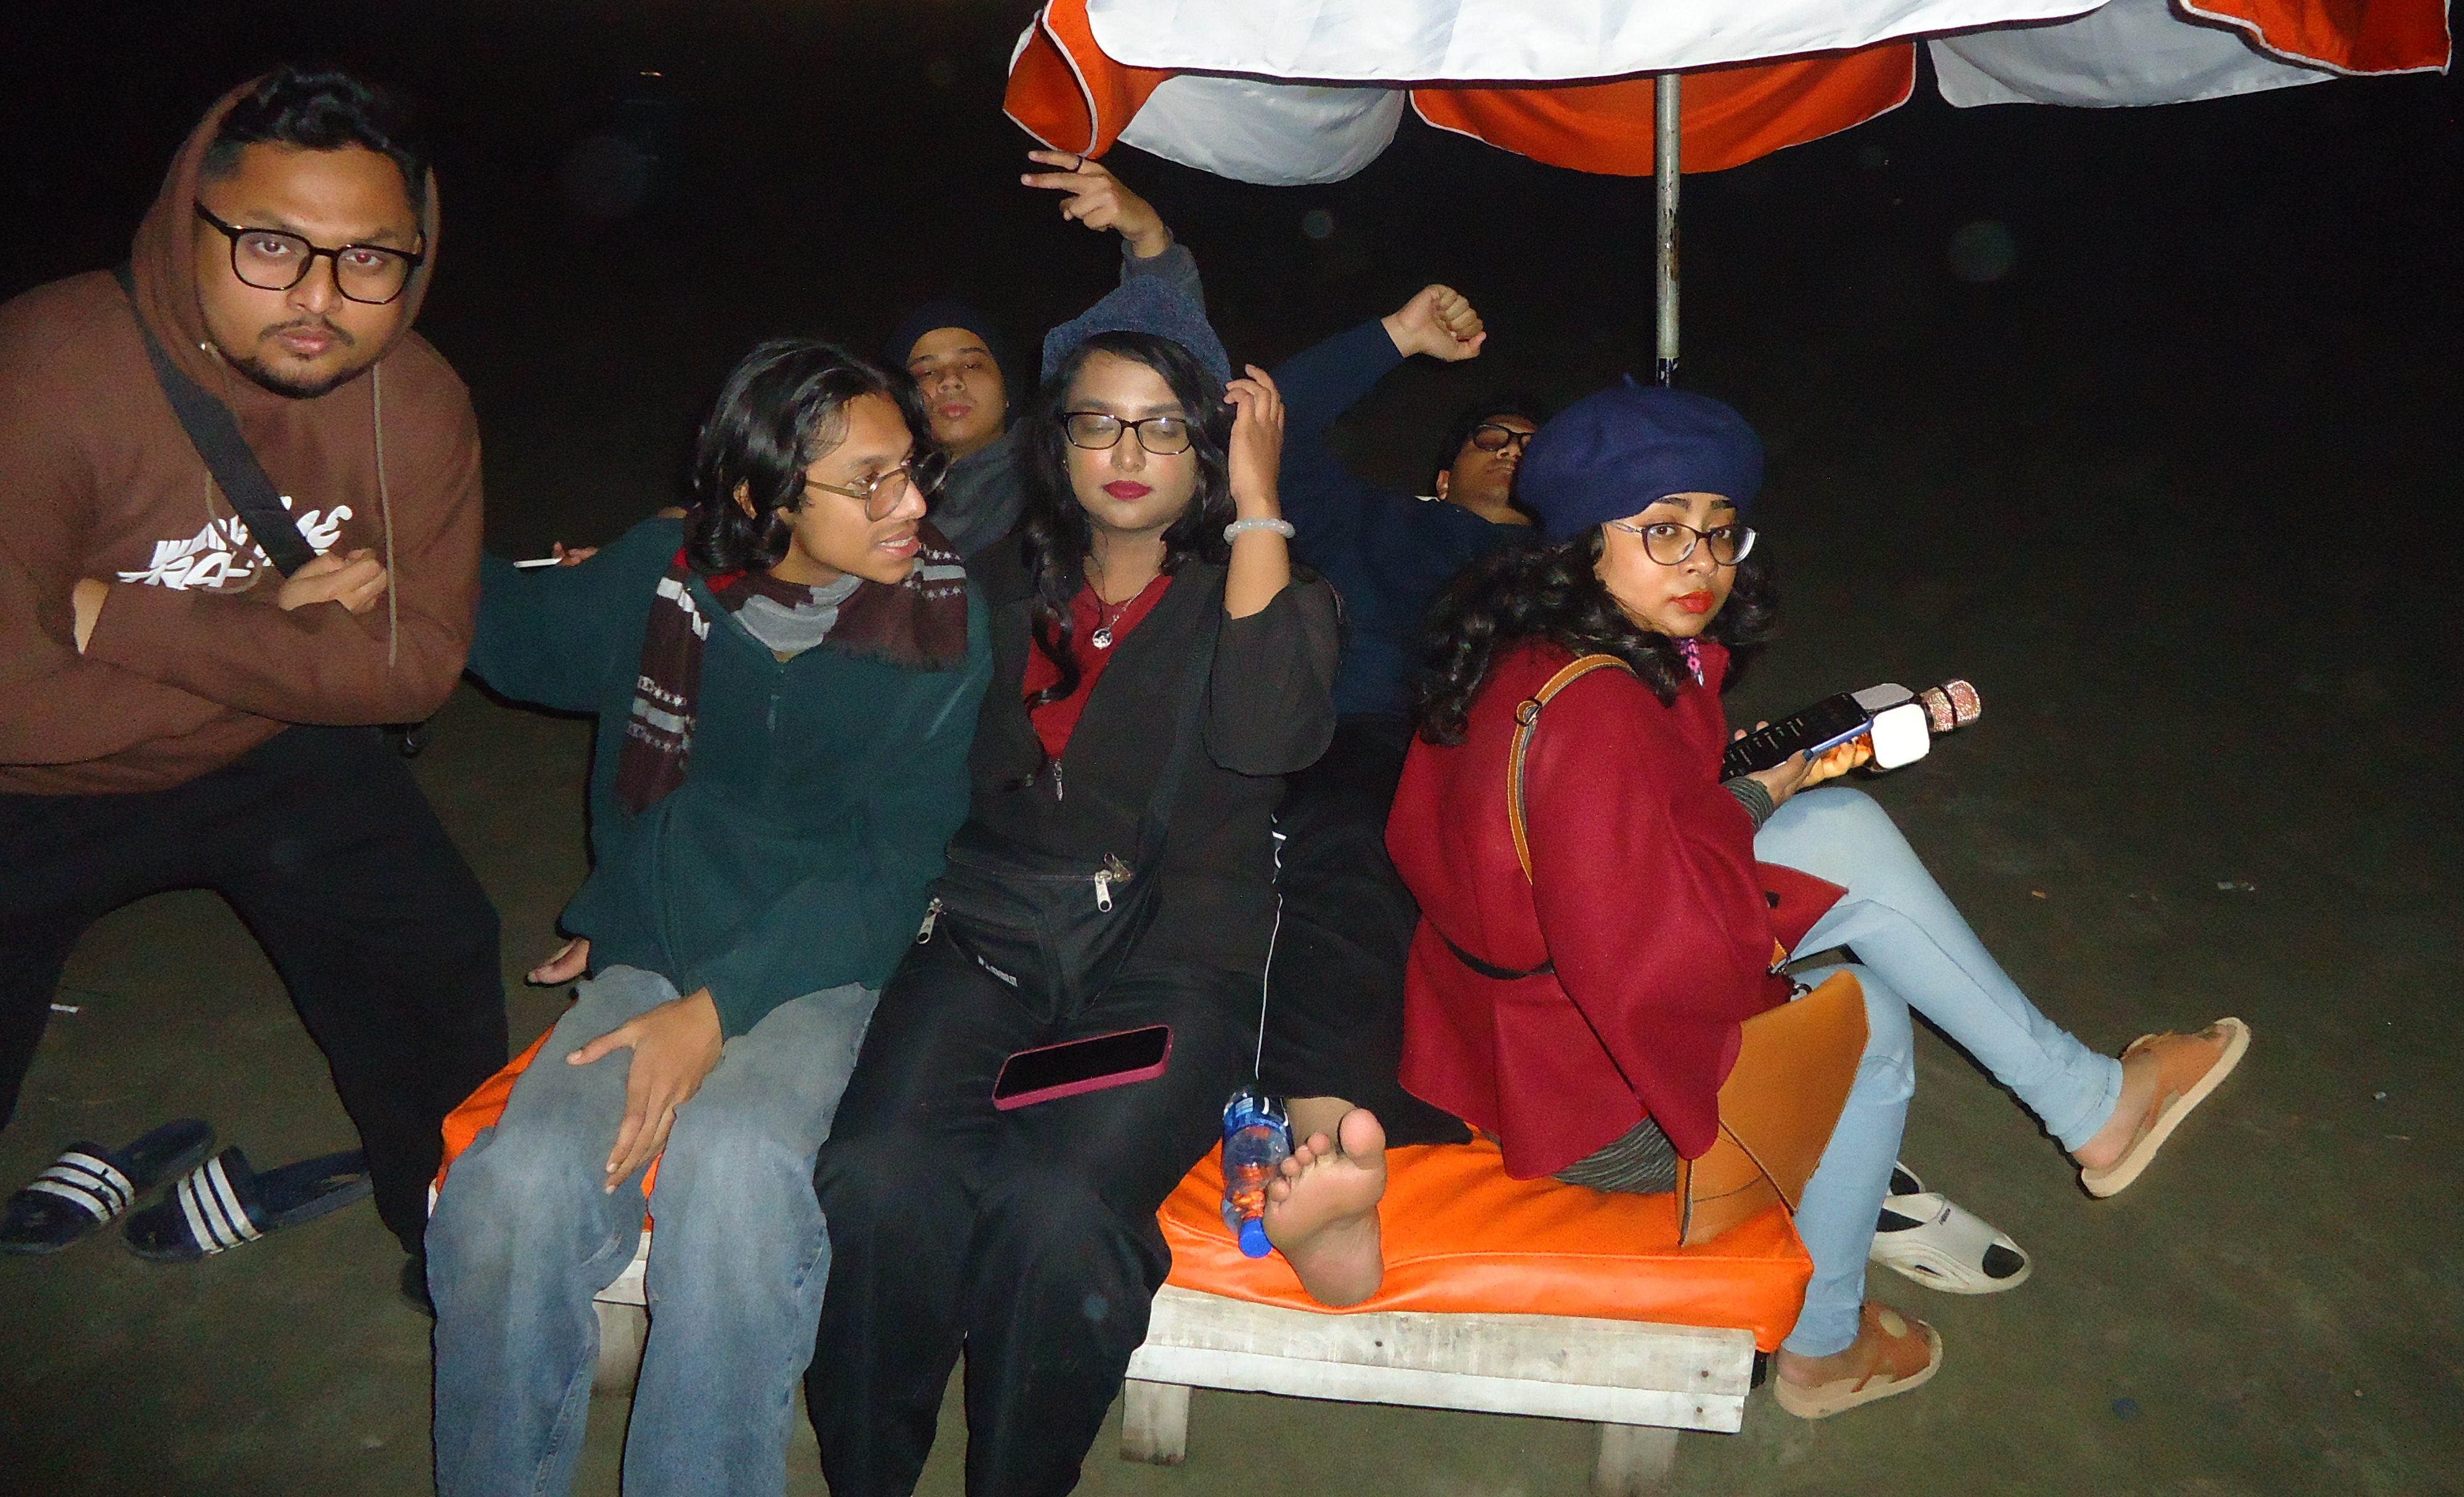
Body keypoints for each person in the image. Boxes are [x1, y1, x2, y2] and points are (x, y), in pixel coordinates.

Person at [1385, 381, 2250, 1419]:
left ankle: (2086, 1111)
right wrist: (1761, 866)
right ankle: (1828, 1339)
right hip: (1589, 1098)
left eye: (1719, 531)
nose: (1701, 563)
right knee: (1862, 1011)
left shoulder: (1533, 646)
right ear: (1580, 544)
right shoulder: (1597, 710)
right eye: (1662, 530)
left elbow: (1594, 846)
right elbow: (1654, 973)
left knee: (1839, 839)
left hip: (1490, 1027)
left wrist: (1743, 789)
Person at [428, 339, 990, 1497]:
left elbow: (897, 867)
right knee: (513, 1189)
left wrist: (719, 1011)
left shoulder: (944, 624)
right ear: (761, 495)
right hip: (659, 945)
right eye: (871, 481)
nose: (914, 504)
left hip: (827, 967)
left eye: (913, 469)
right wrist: (385, 571)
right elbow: (515, 632)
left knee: (737, 1171)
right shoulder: (666, 579)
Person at [806, 277, 1339, 1497]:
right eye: (1100, 422)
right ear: (1058, 440)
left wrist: (1260, 505)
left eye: (1166, 426)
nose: (1130, 453)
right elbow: (849, 724)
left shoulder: (1271, 593)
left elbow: (1265, 735)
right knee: (880, 1176)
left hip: (1161, 977)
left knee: (1056, 1205)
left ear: (1210, 447)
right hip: (990, 947)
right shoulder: (990, 585)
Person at [0, 68, 502, 1294]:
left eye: (368, 258)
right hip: (30, 782)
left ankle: (460, 1242)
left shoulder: (416, 402)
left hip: (266, 756)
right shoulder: (46, 374)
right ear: (192, 226)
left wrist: (117, 615)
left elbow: (415, 670)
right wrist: (283, 634)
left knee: (434, 948)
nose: (320, 298)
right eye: (271, 246)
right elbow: (17, 696)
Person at [1243, 282, 1537, 1303]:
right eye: (1493, 439)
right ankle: (1327, 1140)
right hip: (1377, 739)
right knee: (1348, 835)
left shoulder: (1573, 566)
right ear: (1443, 473)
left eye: (1535, 447)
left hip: (1518, 759)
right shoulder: (1376, 526)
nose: (1515, 453)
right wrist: (1395, 338)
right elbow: (1264, 421)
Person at [890, 149, 1201, 558]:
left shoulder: (1057, 467)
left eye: (972, 363)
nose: (950, 380)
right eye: (926, 372)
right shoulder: (873, 499)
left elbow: (1166, 359)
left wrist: (1149, 239)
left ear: (1007, 390)